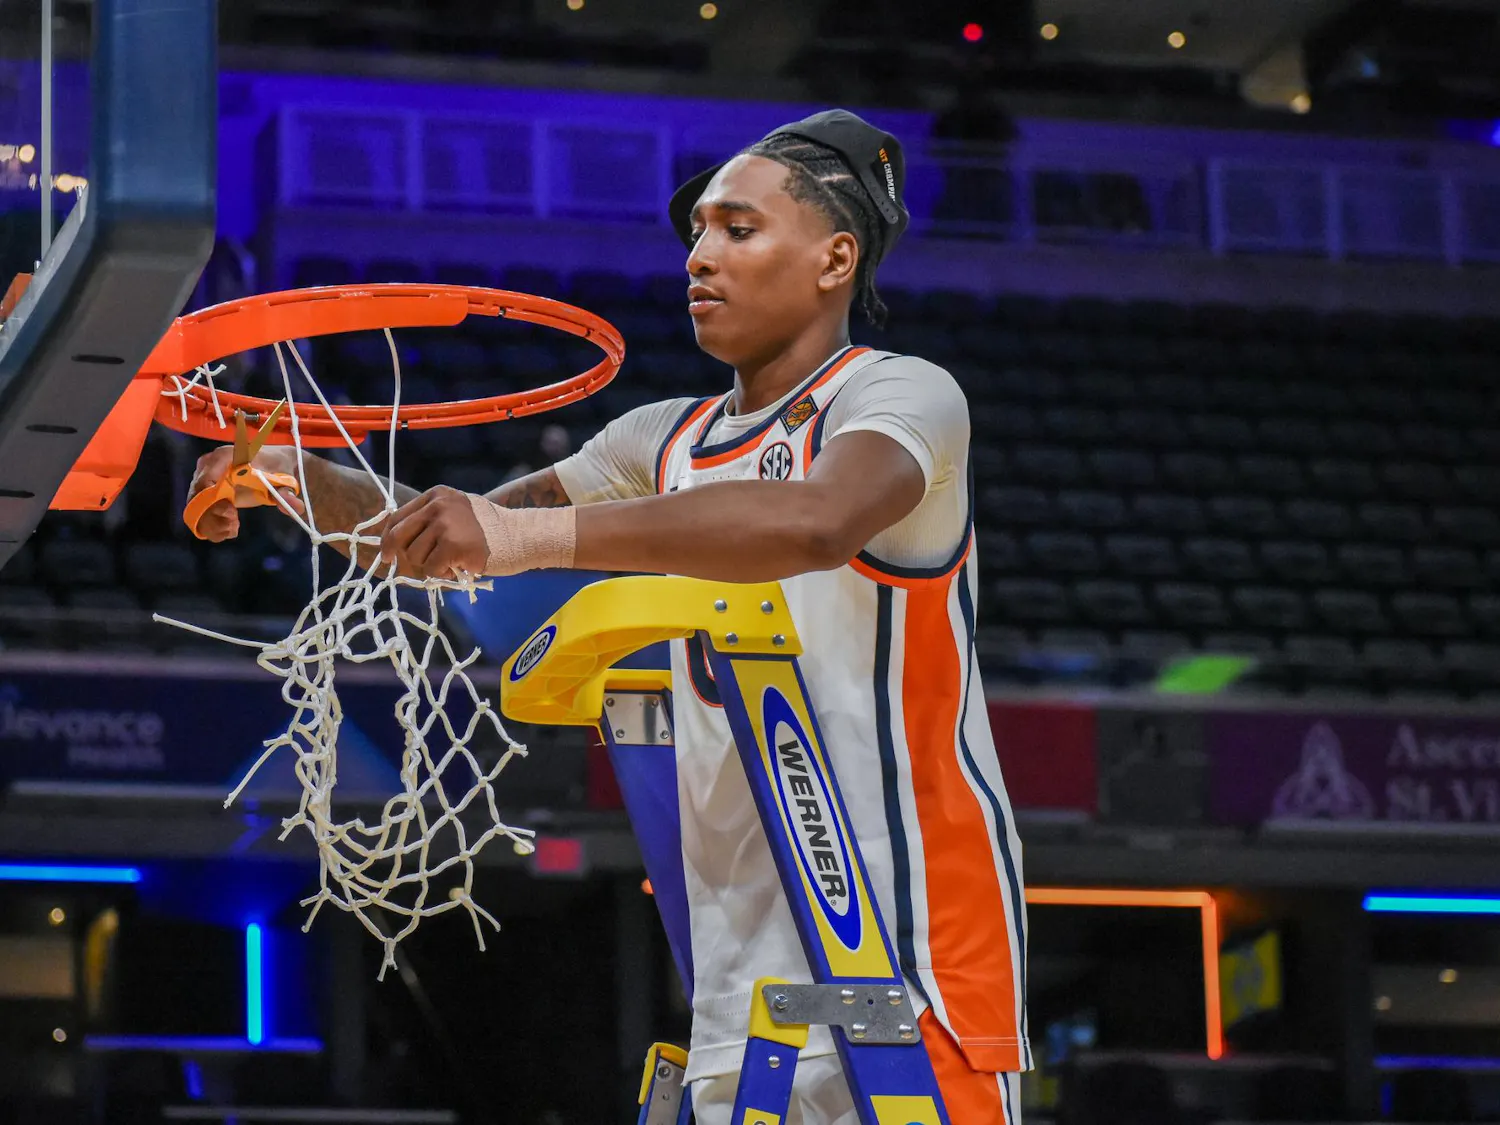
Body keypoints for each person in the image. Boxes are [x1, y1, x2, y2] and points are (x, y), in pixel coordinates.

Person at [188, 109, 1029, 1125]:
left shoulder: (900, 395)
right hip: (741, 996)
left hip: (916, 961)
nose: (700, 257)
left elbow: (815, 521)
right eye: (696, 235)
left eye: (737, 228)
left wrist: (519, 540)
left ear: (835, 257)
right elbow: (451, 540)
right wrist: (280, 469)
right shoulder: (657, 439)